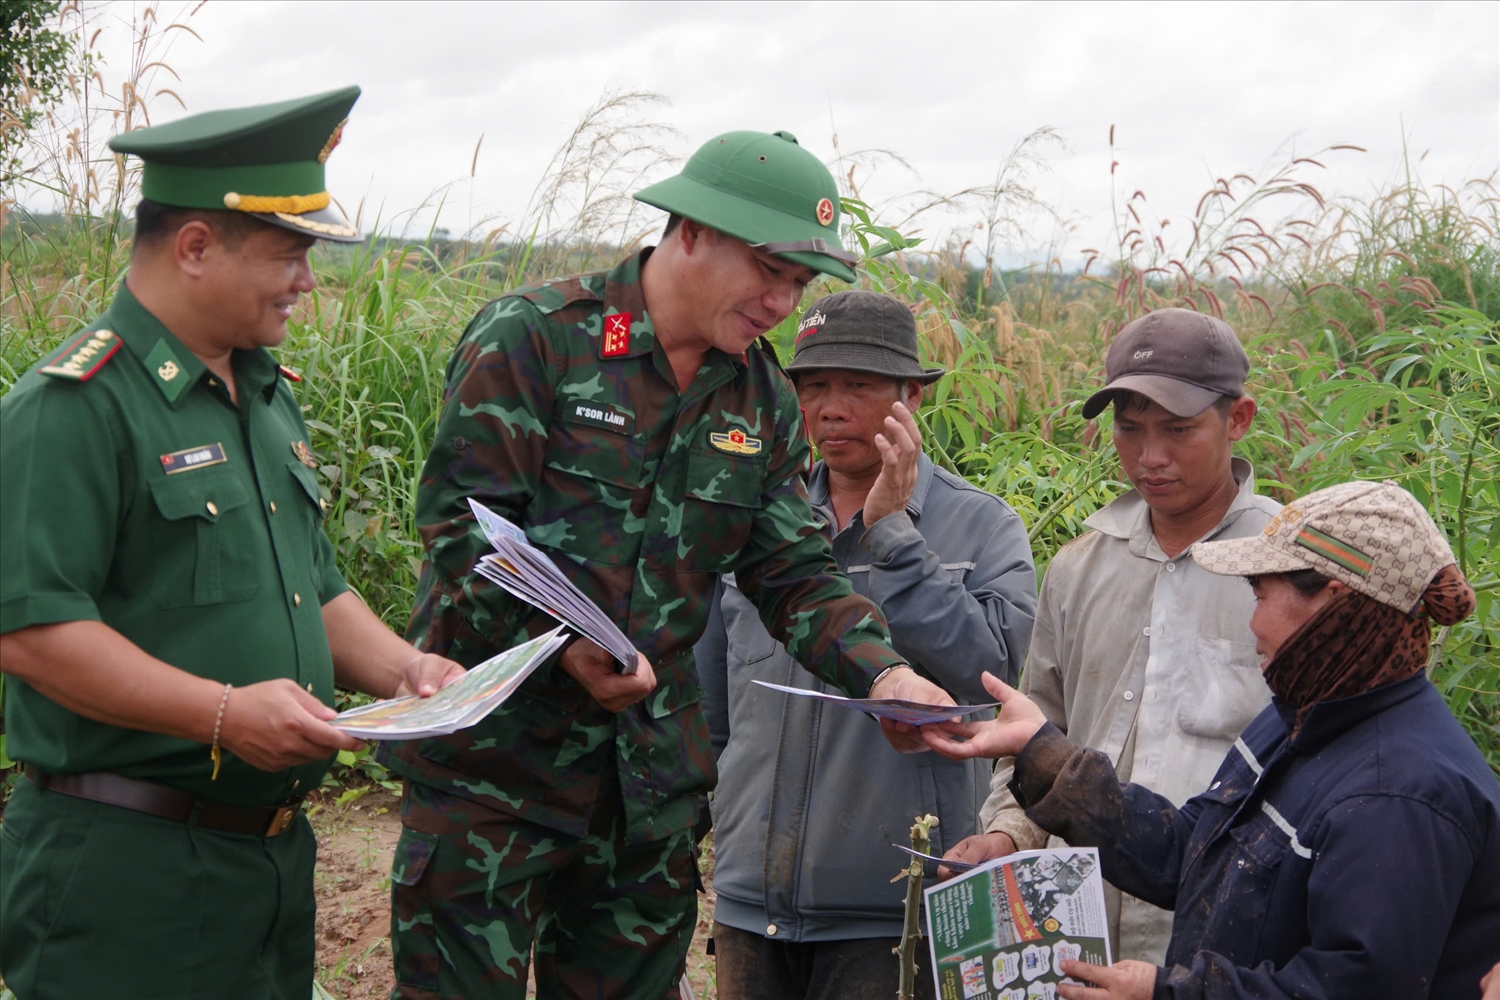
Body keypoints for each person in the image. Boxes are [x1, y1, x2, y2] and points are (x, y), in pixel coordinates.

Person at [379, 130, 956, 999]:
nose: (780, 301)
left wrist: (887, 678)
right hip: (494, 780)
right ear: (690, 230)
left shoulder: (756, 394)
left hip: (641, 800)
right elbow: (460, 534)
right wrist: (561, 643)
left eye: (799, 283)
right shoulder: (538, 340)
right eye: (768, 268)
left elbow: (793, 572)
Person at [0, 87, 465, 1000]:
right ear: (196, 247)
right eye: (290, 255)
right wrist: (223, 714)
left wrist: (409, 674)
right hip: (127, 870)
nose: (307, 281)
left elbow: (314, 586)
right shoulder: (75, 406)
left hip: (267, 864)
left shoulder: (262, 393)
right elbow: (31, 631)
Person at [925, 480, 1500, 1000]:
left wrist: (1167, 995)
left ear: (1332, 603)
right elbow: (1193, 852)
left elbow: (1351, 988)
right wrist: (1044, 755)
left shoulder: (1397, 795)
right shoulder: (1298, 720)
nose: (1253, 623)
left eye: (1261, 594)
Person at [696, 290, 1038, 1000]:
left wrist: (895, 540)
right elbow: (709, 715)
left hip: (894, 912)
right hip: (750, 905)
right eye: (815, 385)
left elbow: (996, 674)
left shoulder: (981, 528)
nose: (831, 407)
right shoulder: (763, 526)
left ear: (912, 395)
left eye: (858, 385)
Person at [942, 308, 1280, 962]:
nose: (1150, 458)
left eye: (1178, 430)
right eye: (1130, 431)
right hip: (1077, 929)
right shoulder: (1079, 568)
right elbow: (1039, 728)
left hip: (1223, 938)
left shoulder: (1285, 567)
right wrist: (1009, 836)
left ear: (1237, 419)